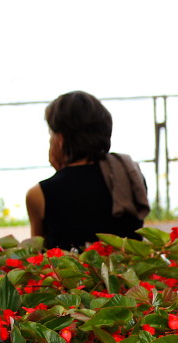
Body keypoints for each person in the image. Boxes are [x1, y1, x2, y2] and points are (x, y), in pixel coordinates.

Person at [26, 91, 149, 250]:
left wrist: (60, 176)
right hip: (129, 272)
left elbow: (37, 254)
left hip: (71, 274)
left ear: (60, 140)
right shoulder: (129, 173)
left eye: (51, 133)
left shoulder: (39, 194)